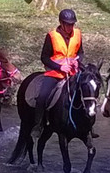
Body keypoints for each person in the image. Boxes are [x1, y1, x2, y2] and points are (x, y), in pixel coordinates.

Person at [29, 9, 86, 141]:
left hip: (73, 73)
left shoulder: (77, 34)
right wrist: (60, 67)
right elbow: (44, 57)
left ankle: (87, 125)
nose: (70, 27)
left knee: (87, 91)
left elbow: (81, 52)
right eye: (68, 24)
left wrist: (77, 61)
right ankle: (38, 125)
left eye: (72, 24)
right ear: (61, 23)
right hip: (55, 73)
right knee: (42, 96)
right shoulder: (52, 36)